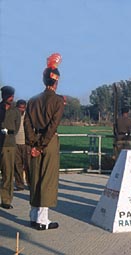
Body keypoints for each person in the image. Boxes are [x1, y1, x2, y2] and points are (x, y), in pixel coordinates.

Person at [24, 53, 64, 230]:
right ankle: (42, 220)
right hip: (48, 143)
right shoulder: (58, 101)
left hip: (34, 141)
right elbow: (53, 126)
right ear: (55, 82)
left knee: (35, 178)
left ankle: (33, 215)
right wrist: (41, 146)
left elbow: (27, 123)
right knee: (47, 180)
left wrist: (33, 144)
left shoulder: (32, 100)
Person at [0, 86, 21, 209]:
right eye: (9, 96)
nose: (11, 98)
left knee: (8, 173)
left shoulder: (15, 111)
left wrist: (8, 132)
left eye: (12, 96)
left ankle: (6, 200)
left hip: (9, 144)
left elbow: (17, 127)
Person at [14, 99, 31, 191]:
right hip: (15, 143)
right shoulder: (13, 116)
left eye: (23, 108)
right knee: (17, 165)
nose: (22, 109)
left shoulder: (28, 116)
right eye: (20, 108)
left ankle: (30, 183)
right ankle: (19, 184)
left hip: (26, 143)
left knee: (28, 165)